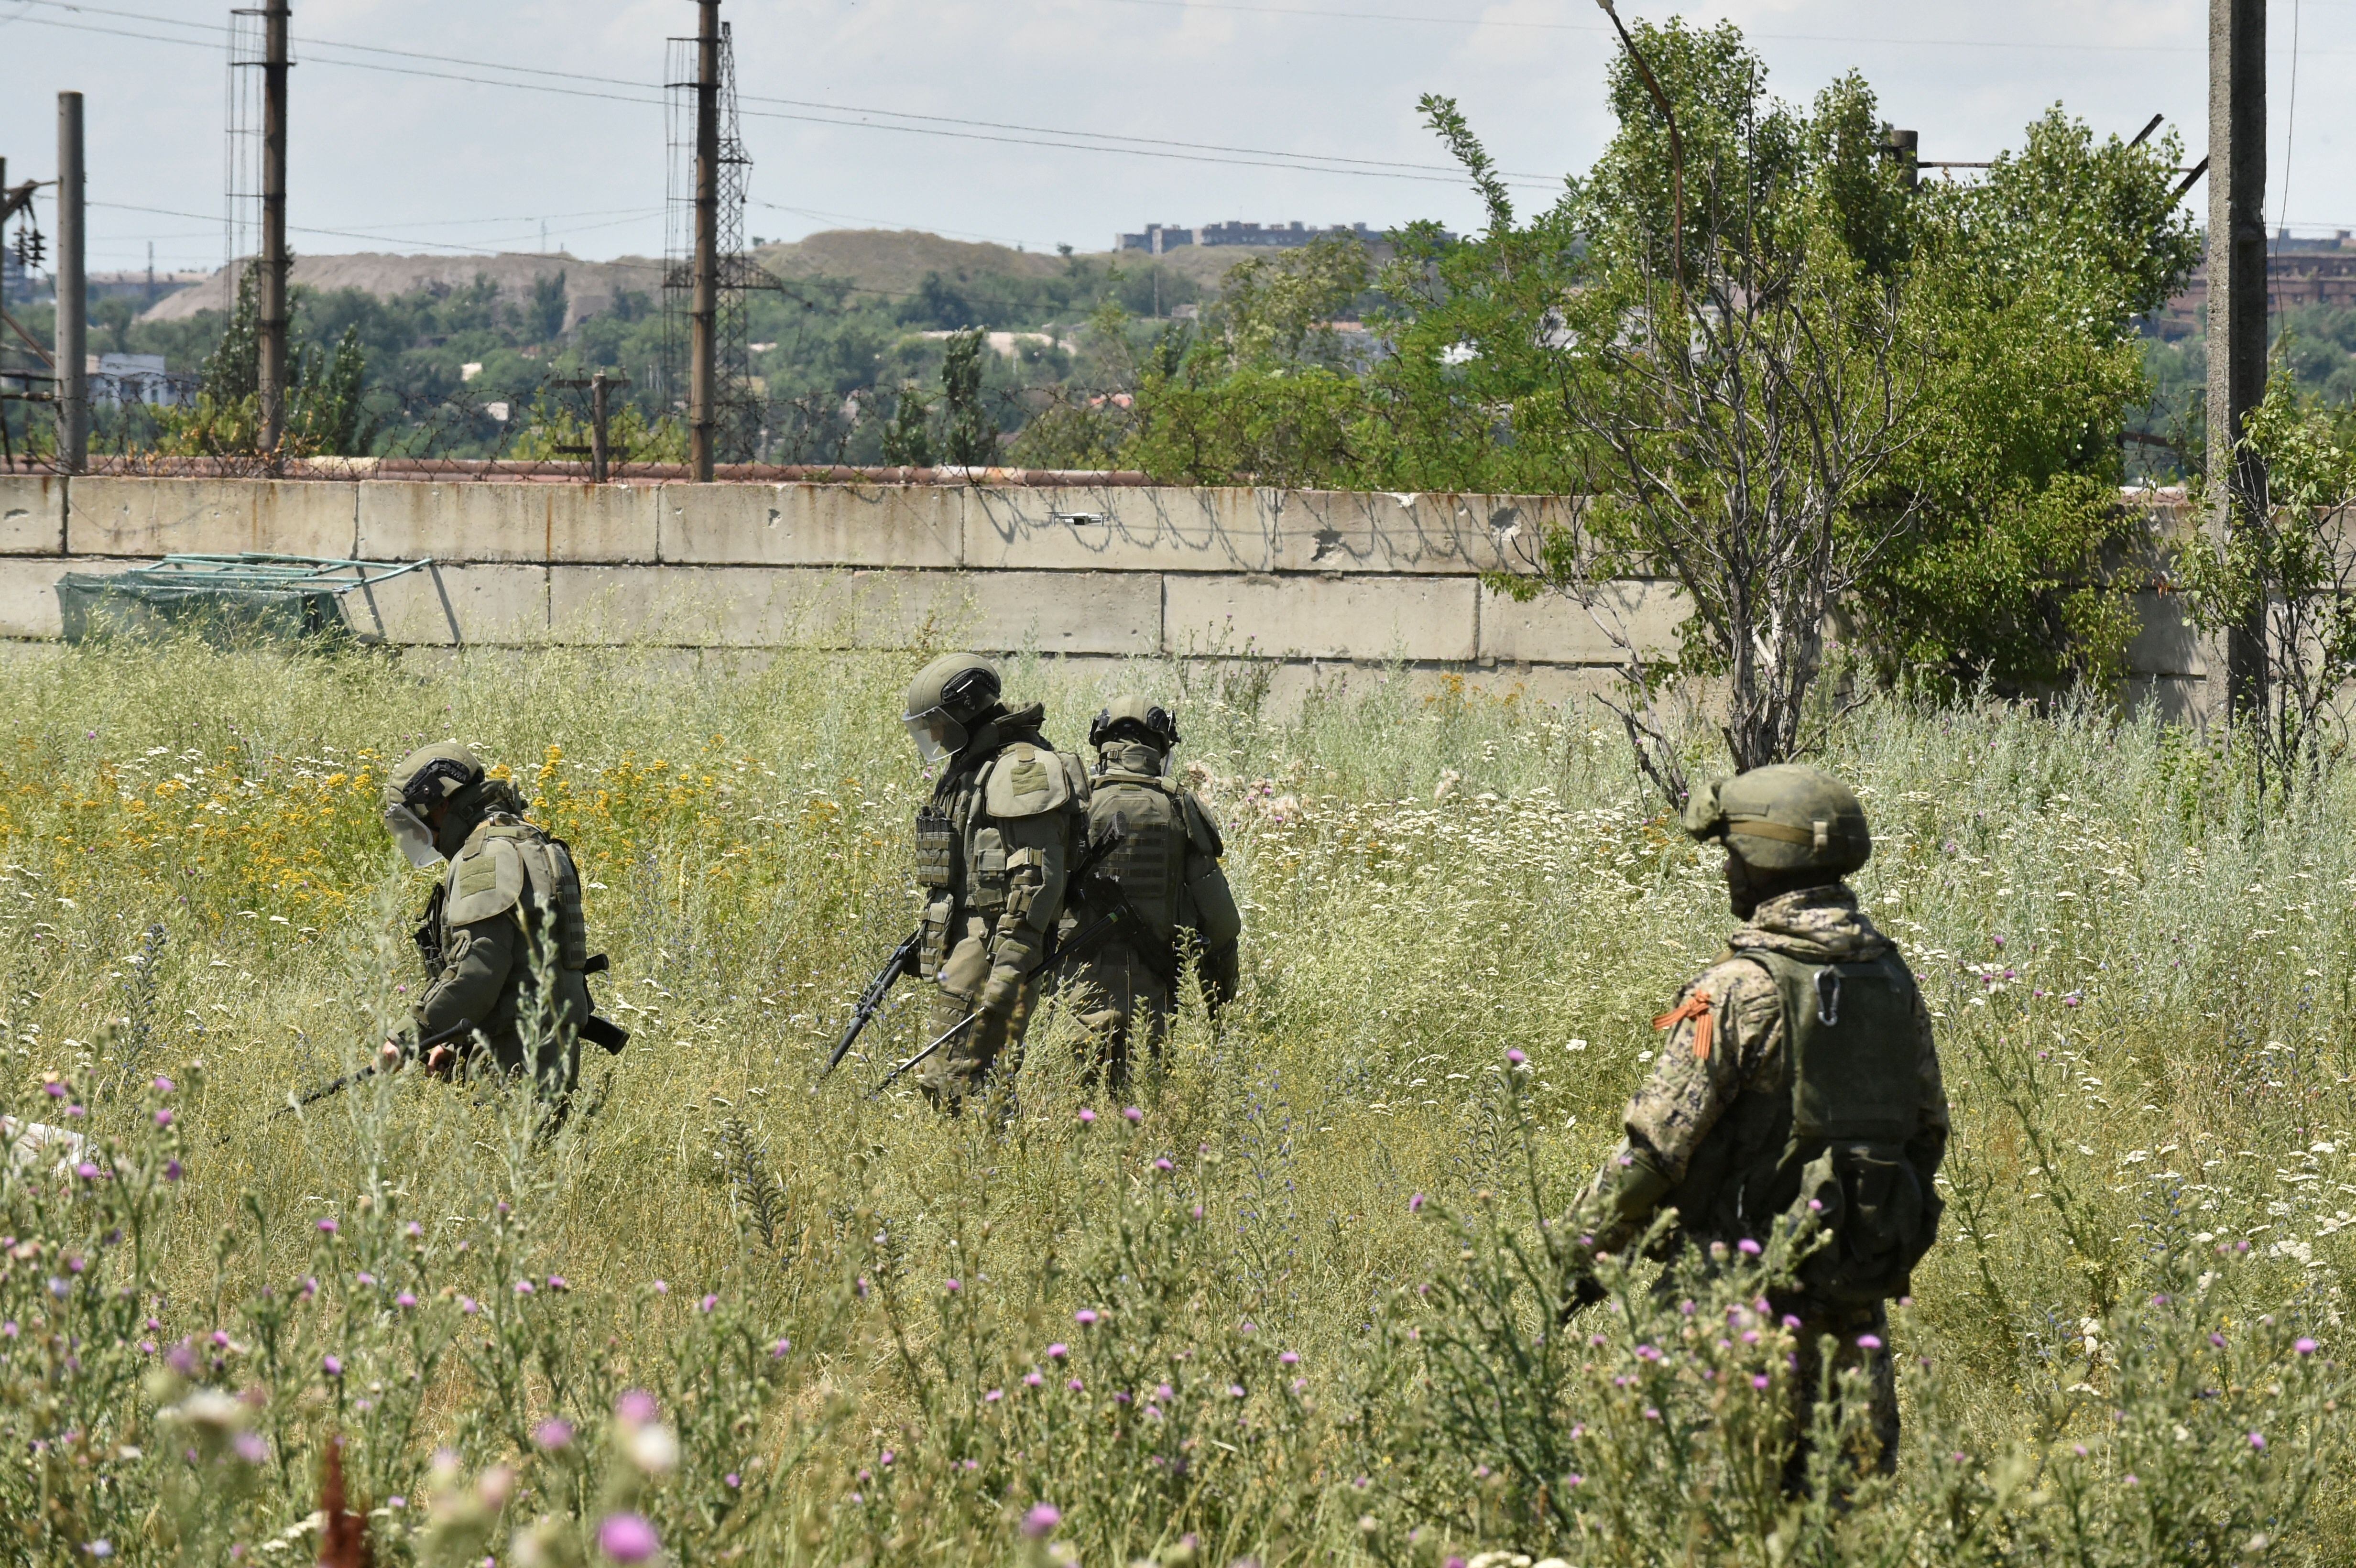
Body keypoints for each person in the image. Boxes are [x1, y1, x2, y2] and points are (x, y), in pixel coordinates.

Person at [1566, 764, 1947, 1492]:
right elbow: (1926, 1138)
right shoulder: (1892, 983)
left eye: (1733, 856)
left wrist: (1570, 1257)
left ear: (1764, 865)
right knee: (1835, 1528)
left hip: (1727, 1312)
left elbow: (1653, 1155)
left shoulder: (1738, 992)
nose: (1729, 873)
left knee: (1709, 1521)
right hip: (1848, 1312)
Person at [900, 653, 1089, 1110]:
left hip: (993, 944)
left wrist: (1010, 964)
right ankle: (980, 1160)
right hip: (970, 941)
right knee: (954, 1076)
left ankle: (981, 1165)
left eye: (940, 723)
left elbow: (1035, 876)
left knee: (957, 1080)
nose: (936, 735)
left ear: (967, 711)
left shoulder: (1020, 768)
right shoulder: (977, 764)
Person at [379, 742, 602, 1100]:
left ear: (443, 805)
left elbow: (478, 970)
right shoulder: (525, 840)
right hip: (546, 1049)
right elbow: (520, 961)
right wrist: (449, 1040)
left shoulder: (485, 856)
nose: (431, 841)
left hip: (510, 1057)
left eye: (422, 824)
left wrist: (409, 1036)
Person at [1058, 695, 1241, 1088]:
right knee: (1144, 1111)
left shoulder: (1075, 802)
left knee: (1076, 1117)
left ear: (1101, 743)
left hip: (1078, 995)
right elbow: (1221, 920)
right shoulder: (1177, 805)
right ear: (1161, 746)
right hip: (1152, 998)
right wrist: (1220, 1007)